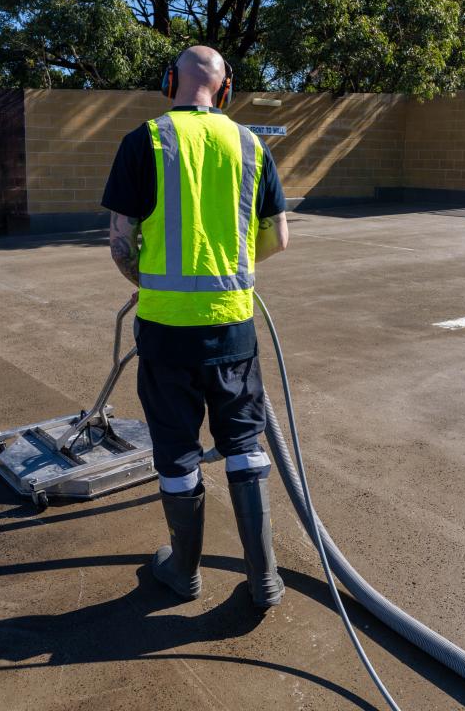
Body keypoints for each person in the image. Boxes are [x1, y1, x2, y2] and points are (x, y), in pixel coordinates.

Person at [101, 45, 290, 609]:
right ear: (226, 88)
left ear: (169, 82)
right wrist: (228, 274)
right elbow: (279, 238)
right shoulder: (251, 145)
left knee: (177, 453)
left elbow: (119, 243)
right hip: (234, 327)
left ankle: (183, 574)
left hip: (164, 330)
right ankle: (265, 581)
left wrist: (152, 280)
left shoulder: (144, 140)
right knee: (244, 445)